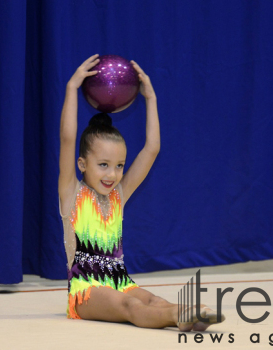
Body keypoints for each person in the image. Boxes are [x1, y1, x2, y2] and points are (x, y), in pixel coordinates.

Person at [58, 54, 224, 331]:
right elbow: (67, 138)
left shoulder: (118, 196)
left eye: (119, 166)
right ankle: (177, 317)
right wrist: (72, 88)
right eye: (103, 165)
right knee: (131, 307)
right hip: (85, 291)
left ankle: (186, 313)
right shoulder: (71, 192)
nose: (112, 174)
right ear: (82, 164)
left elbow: (152, 149)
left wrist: (151, 99)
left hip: (121, 281)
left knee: (153, 300)